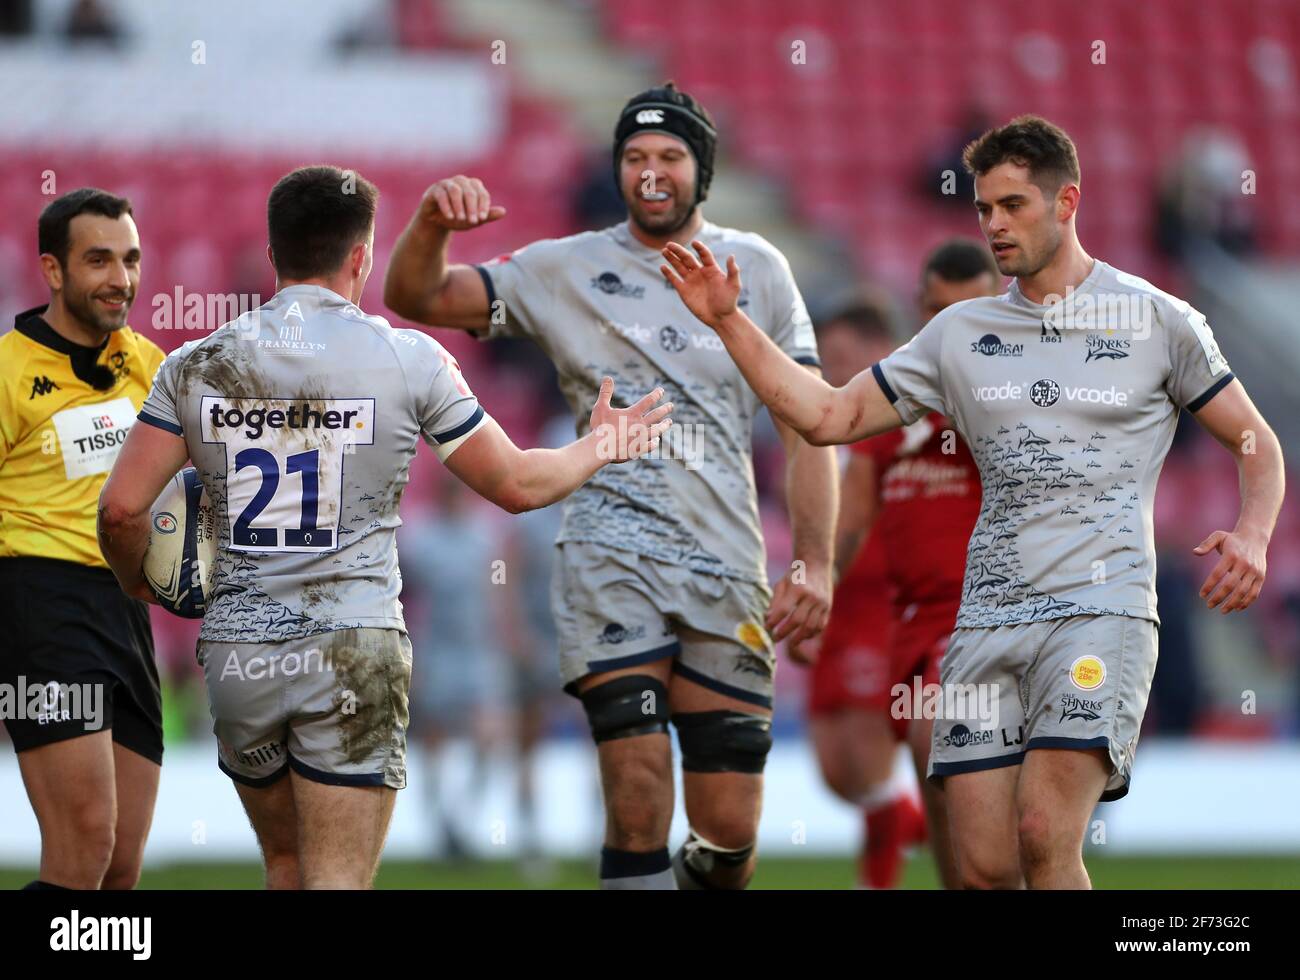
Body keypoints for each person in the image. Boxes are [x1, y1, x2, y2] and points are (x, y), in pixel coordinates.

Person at [661, 115, 1286, 889]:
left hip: (1100, 612)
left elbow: (1257, 442)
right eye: (984, 208)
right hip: (983, 623)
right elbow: (827, 416)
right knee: (982, 869)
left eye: (1013, 206)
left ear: (1067, 203)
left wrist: (1254, 533)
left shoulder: (1158, 320)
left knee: (1042, 835)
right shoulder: (957, 334)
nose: (993, 224)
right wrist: (729, 322)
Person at [96, 165, 670, 889]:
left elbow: (120, 512)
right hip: (352, 647)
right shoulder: (410, 359)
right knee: (338, 879)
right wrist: (602, 444)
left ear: (275, 257)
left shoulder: (194, 364)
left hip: (240, 651)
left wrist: (144, 587)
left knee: (285, 869)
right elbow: (521, 486)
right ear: (362, 256)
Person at [384, 82, 838, 890]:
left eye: (669, 156)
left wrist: (813, 560)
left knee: (729, 830)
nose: (651, 172)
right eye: (634, 157)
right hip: (605, 564)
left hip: (725, 569)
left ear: (703, 169)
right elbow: (416, 296)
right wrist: (430, 228)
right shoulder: (566, 267)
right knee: (635, 794)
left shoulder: (760, 270)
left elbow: (809, 425)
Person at [823, 241, 1002, 889]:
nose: (948, 325)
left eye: (966, 310)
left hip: (987, 615)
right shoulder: (897, 393)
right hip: (912, 621)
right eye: (934, 310)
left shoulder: (1013, 394)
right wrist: (818, 580)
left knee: (937, 742)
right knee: (928, 782)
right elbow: (854, 511)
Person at [0, 188, 164, 890]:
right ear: (53, 270)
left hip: (127, 605)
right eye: (98, 260)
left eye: (129, 259)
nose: (119, 279)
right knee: (83, 847)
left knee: (121, 866)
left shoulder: (148, 364)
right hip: (39, 603)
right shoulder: (7, 371)